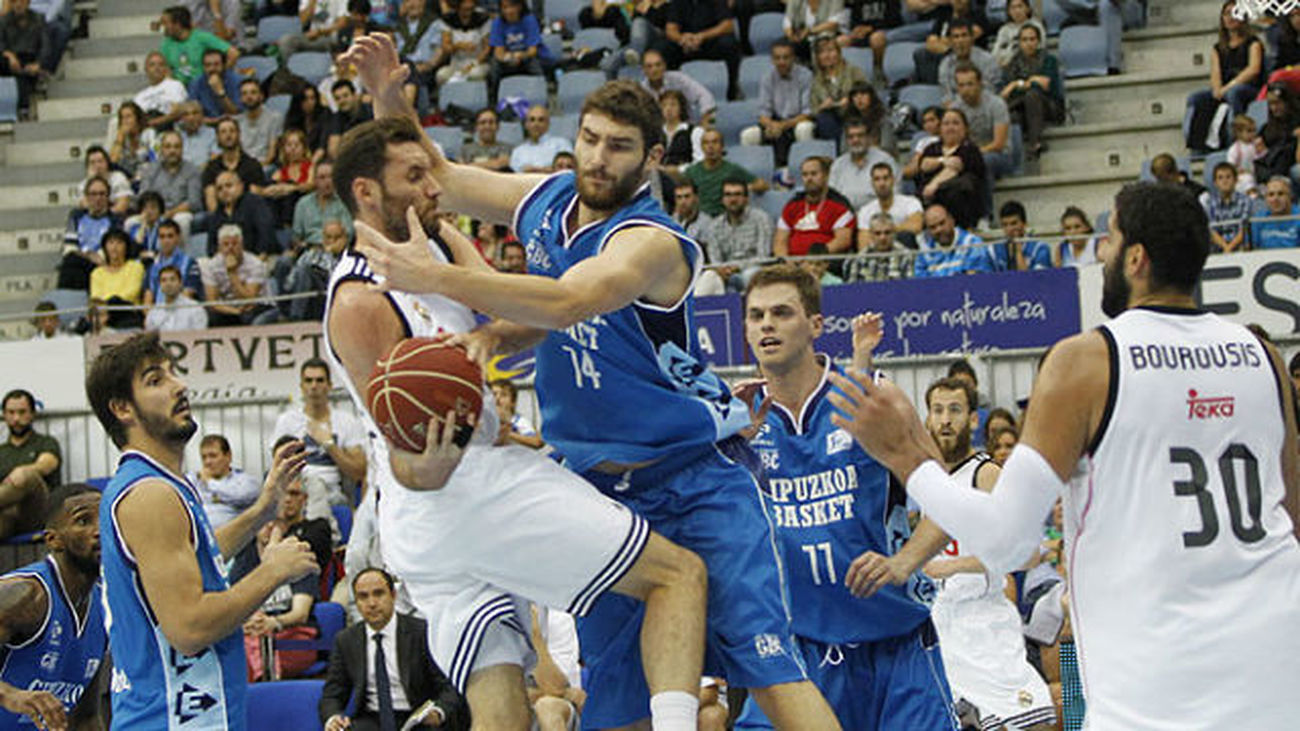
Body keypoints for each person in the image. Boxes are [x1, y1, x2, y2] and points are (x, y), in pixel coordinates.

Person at [342, 35, 839, 729]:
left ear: (653, 159)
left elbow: (571, 300)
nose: (599, 159)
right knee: (614, 699)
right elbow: (441, 178)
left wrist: (433, 277)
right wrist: (388, 100)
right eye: (591, 139)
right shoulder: (547, 200)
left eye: (620, 146)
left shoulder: (653, 241)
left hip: (693, 476)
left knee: (770, 670)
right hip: (599, 484)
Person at [833, 178, 1300, 728]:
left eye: (1109, 238)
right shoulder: (1262, 353)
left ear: (1136, 258)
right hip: (1273, 655)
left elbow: (1008, 540)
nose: (1100, 250)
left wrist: (908, 456)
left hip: (1158, 673)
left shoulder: (1086, 360)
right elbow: (1291, 513)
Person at [322, 88, 711, 731]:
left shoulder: (435, 241)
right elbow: (402, 455)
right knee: (678, 576)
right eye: (413, 178)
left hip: (439, 524)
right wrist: (439, 460)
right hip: (452, 494)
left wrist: (390, 97)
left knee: (499, 706)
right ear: (366, 194)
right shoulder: (361, 301)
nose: (433, 185)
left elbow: (508, 309)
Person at [733, 265, 957, 730]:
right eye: (755, 316)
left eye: (781, 313)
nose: (766, 325)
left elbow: (947, 504)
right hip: (797, 651)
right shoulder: (735, 421)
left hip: (894, 642)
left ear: (815, 325)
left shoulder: (871, 399)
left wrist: (902, 563)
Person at [88, 332, 317, 728]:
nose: (180, 385)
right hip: (173, 719)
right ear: (122, 408)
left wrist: (261, 511)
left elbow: (197, 555)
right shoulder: (150, 495)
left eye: (174, 373)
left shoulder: (158, 483)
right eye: (156, 380)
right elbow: (189, 627)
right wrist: (272, 571)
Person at [921, 377, 1056, 731]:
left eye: (954, 410)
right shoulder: (924, 479)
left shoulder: (986, 474)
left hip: (984, 623)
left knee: (1035, 723)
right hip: (937, 624)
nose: (945, 420)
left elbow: (1027, 554)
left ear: (973, 419)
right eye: (937, 411)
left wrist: (952, 566)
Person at [0, 484, 106, 729]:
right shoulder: (26, 594)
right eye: (83, 521)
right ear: (53, 540)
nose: (100, 530)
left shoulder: (104, 607)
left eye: (106, 519)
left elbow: (86, 719)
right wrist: (10, 695)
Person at [320, 567, 470, 731]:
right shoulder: (346, 640)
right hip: (370, 720)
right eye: (363, 597)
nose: (372, 603)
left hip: (417, 718)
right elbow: (332, 694)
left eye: (379, 594)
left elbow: (449, 687)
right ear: (356, 602)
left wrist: (438, 711)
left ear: (393, 595)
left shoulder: (421, 632)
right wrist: (333, 718)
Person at [243, 471, 332, 681]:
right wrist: (245, 623)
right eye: (262, 523)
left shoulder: (298, 557)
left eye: (272, 525)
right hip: (256, 634)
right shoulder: (246, 558)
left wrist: (273, 622)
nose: (267, 528)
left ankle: (260, 694)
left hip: (291, 634)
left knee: (258, 647)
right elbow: (233, 601)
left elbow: (300, 614)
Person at [272, 358, 368, 507]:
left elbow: (358, 472)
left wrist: (330, 445)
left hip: (334, 498)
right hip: (296, 498)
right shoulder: (287, 421)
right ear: (302, 386)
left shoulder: (347, 422)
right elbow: (278, 468)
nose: (314, 386)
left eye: (320, 380)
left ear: (329, 386)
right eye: (308, 381)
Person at [1185, 1, 1265, 153]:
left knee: (1233, 93)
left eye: (1235, 12)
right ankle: (1198, 146)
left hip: (1248, 88)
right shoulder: (1218, 48)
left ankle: (1233, 140)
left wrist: (1228, 88)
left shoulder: (1253, 43)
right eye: (1227, 13)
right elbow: (1215, 74)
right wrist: (1217, 90)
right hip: (1225, 88)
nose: (1231, 17)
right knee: (1197, 98)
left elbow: (1253, 70)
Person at [907, 107, 986, 230]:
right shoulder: (932, 148)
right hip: (929, 199)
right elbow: (924, 164)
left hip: (959, 200)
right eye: (946, 123)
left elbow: (955, 166)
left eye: (955, 123)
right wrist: (943, 160)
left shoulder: (969, 149)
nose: (950, 127)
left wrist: (934, 185)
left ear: (965, 128)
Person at [741, 41, 814, 169]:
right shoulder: (767, 77)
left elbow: (808, 113)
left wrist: (783, 126)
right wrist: (771, 125)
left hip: (796, 121)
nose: (781, 62)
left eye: (785, 57)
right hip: (775, 122)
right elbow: (763, 113)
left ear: (793, 58)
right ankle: (755, 177)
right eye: (777, 58)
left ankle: (803, 171)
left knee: (804, 128)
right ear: (772, 60)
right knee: (748, 135)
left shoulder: (806, 76)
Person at [0, 390, 61, 540]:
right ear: (4, 415)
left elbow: (47, 465)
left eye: (22, 412)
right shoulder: (2, 451)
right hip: (7, 516)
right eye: (11, 413)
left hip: (37, 514)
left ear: (33, 414)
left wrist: (23, 471)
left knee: (27, 476)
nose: (16, 418)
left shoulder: (46, 442)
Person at [999, 22, 1062, 161]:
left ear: (1038, 41)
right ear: (1019, 42)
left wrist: (1018, 84)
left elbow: (1045, 86)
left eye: (1032, 39)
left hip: (1049, 106)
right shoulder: (1013, 64)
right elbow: (1007, 93)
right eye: (1024, 40)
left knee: (1032, 96)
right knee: (1013, 114)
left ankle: (1035, 143)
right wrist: (1032, 80)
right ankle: (1014, 158)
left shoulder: (1048, 60)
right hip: (1021, 107)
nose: (1028, 43)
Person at [773, 156, 855, 258]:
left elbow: (842, 241)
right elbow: (780, 242)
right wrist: (785, 261)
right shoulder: (792, 204)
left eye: (814, 174)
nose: (809, 178)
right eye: (805, 175)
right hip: (792, 266)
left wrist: (812, 260)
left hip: (824, 263)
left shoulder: (840, 205)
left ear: (826, 175)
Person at [658, 0, 740, 99]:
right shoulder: (678, 2)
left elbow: (728, 25)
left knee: (729, 44)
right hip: (685, 45)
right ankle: (669, 95)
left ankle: (732, 91)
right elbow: (670, 29)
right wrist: (681, 38)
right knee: (662, 49)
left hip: (710, 41)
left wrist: (702, 36)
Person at [202, 224, 280, 326]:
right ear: (219, 247)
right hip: (230, 308)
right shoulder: (211, 266)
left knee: (248, 318)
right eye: (226, 244)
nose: (230, 248)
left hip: (259, 305)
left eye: (234, 244)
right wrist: (235, 312)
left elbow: (249, 299)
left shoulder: (256, 264)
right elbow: (212, 302)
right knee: (209, 316)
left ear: (242, 245)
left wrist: (232, 273)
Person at [706, 178, 774, 290]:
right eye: (728, 195)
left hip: (753, 270)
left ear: (746, 199)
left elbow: (763, 257)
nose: (733, 199)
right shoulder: (714, 226)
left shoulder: (761, 219)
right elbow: (715, 259)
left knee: (749, 276)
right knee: (709, 277)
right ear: (722, 200)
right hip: (725, 272)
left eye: (737, 194)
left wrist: (737, 267)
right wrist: (722, 269)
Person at [685, 128, 768, 216]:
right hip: (700, 218)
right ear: (702, 147)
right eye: (706, 143)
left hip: (725, 218)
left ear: (722, 146)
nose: (710, 146)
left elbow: (762, 185)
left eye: (715, 142)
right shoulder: (691, 171)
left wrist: (745, 188)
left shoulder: (732, 169)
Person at [58, 177, 122, 291]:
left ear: (108, 197)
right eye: (93, 194)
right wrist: (88, 255)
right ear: (87, 197)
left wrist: (94, 257)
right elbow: (69, 247)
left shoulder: (115, 220)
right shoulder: (76, 216)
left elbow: (111, 249)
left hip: (100, 265)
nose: (98, 198)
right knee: (70, 262)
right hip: (78, 261)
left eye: (102, 194)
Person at [950, 63, 1011, 182]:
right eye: (961, 85)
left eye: (970, 84)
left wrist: (971, 156)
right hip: (968, 156)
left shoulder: (996, 104)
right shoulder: (955, 108)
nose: (965, 90)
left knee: (982, 163)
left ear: (980, 84)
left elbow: (998, 144)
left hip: (998, 155)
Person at [139, 130, 204, 240]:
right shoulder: (151, 170)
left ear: (182, 149)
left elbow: (194, 202)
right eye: (168, 147)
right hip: (154, 212)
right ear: (161, 150)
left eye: (176, 147)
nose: (172, 151)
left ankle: (179, 255)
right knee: (130, 222)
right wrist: (155, 213)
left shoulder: (192, 170)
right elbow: (143, 196)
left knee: (181, 221)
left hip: (181, 213)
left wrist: (171, 213)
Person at [487, 0, 551, 104]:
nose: (509, 11)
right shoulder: (497, 23)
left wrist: (521, 55)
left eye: (512, 7)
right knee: (494, 67)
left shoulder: (529, 20)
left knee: (534, 63)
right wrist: (510, 58)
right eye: (505, 7)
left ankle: (543, 99)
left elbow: (532, 50)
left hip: (526, 57)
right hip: (507, 60)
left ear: (520, 7)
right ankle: (493, 102)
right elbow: (498, 52)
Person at [158, 4, 238, 87]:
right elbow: (165, 68)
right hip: (180, 89)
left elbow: (234, 54)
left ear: (177, 24)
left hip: (204, 87)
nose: (162, 27)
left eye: (165, 23)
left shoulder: (202, 38)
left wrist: (218, 74)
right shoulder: (166, 44)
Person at [202, 118, 270, 212]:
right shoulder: (212, 167)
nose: (228, 135)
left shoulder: (252, 165)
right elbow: (211, 200)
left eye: (232, 131)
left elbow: (256, 197)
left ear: (239, 134)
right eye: (223, 132)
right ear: (217, 137)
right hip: (219, 217)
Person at [207, 171, 279, 257]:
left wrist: (260, 257)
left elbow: (266, 234)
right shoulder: (216, 214)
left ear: (241, 186)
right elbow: (212, 247)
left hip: (260, 258)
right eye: (219, 189)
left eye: (229, 185)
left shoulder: (255, 203)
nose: (224, 190)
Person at [829, 120, 897, 211]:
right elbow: (832, 197)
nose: (855, 140)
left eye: (860, 136)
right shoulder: (838, 165)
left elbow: (895, 195)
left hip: (878, 214)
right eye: (851, 137)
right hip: (846, 215)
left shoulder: (886, 160)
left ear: (869, 138)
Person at [810, 36, 868, 142]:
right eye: (822, 52)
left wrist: (851, 100)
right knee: (824, 118)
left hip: (853, 113)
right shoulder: (816, 80)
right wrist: (822, 107)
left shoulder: (853, 71)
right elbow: (813, 110)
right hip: (830, 119)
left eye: (831, 50)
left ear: (839, 53)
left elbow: (867, 94)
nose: (827, 55)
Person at [913, 202, 995, 278]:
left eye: (942, 223)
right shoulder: (924, 253)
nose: (939, 229)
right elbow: (922, 285)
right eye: (933, 227)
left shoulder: (972, 243)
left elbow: (976, 280)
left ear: (952, 220)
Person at [641, 49, 716, 126]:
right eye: (649, 66)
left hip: (685, 128)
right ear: (643, 69)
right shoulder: (641, 90)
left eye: (658, 65)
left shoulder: (679, 80)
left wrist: (706, 122)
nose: (654, 69)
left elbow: (705, 96)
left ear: (664, 66)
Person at [0, 0, 46, 117]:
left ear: (28, 2)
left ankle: (23, 108)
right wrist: (9, 56)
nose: (18, 4)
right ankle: (22, 108)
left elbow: (45, 46)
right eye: (14, 1)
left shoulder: (38, 19)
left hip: (30, 59)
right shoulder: (3, 21)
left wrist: (39, 63)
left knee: (24, 73)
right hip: (9, 59)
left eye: (21, 1)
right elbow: (1, 44)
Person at [143, 219, 203, 305]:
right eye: (162, 237)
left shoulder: (191, 264)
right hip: (156, 314)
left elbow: (188, 295)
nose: (166, 241)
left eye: (170, 236)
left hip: (181, 312)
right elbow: (147, 301)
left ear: (178, 238)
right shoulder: (152, 266)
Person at [857, 162, 923, 236]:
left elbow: (916, 227)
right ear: (872, 183)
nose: (882, 183)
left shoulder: (911, 202)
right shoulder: (865, 211)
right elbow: (863, 243)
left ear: (893, 180)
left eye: (885, 178)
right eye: (877, 179)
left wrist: (884, 230)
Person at [935, 19, 998, 97]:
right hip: (955, 107)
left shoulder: (987, 60)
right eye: (956, 37)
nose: (960, 40)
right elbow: (946, 96)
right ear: (950, 41)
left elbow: (989, 92)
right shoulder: (945, 64)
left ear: (972, 38)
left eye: (964, 35)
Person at [435, 0, 491, 85]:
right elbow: (446, 47)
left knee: (474, 74)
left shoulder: (483, 18)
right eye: (464, 9)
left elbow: (487, 48)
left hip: (478, 62)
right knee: (441, 75)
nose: (468, 12)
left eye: (470, 8)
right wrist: (458, 46)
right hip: (456, 63)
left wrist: (474, 63)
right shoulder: (448, 19)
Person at [847, 212, 912, 281]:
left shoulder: (906, 256)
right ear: (871, 235)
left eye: (887, 232)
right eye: (877, 233)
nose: (882, 238)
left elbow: (910, 287)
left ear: (894, 233)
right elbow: (853, 288)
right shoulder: (860, 259)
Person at [236, 78, 286, 166]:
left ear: (261, 96)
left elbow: (271, 154)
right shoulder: (237, 121)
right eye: (244, 94)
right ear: (240, 99)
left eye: (253, 92)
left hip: (266, 165)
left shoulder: (274, 118)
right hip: (243, 166)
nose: (249, 97)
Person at [1204, 161, 1251, 253]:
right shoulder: (1210, 203)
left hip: (1240, 249)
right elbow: (1212, 231)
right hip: (1218, 249)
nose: (1225, 181)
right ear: (1215, 182)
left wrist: (1229, 248)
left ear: (1235, 180)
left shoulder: (1245, 201)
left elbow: (1244, 229)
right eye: (1220, 178)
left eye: (1228, 177)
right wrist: (1226, 247)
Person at [145, 264, 209, 331]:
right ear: (160, 285)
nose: (168, 284)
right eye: (164, 280)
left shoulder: (195, 308)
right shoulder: (154, 312)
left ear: (180, 283)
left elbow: (200, 336)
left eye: (172, 279)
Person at [135, 50, 188, 127]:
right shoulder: (139, 97)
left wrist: (152, 123)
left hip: (170, 130)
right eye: (152, 65)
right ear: (146, 69)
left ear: (166, 68)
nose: (157, 68)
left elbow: (176, 112)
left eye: (161, 64)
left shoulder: (174, 85)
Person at [489, 378, 545, 449]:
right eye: (494, 394)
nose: (497, 398)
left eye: (504, 395)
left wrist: (509, 434)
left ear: (513, 402)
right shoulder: (484, 420)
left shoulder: (519, 422)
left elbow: (537, 442)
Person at [989, 0, 1045, 68]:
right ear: (1008, 11)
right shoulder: (1004, 30)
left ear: (1028, 9)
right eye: (1013, 7)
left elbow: (1040, 49)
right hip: (1005, 67)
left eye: (1020, 6)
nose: (1017, 11)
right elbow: (995, 53)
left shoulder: (1036, 26)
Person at [998, 201, 1052, 271]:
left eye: (1014, 223)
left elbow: (1036, 280)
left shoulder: (1040, 248)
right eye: (1005, 225)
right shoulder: (994, 249)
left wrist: (1018, 252)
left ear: (1025, 224)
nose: (1009, 229)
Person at [1251, 175, 1300, 249]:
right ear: (1266, 198)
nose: (1275, 199)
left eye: (1280, 194)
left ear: (1290, 196)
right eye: (1271, 195)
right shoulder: (1258, 219)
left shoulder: (1298, 217)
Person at [672, 179, 713, 250]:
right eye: (679, 197)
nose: (683, 202)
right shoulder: (670, 221)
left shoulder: (707, 223)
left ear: (696, 198)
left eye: (687, 196)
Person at [1226, 113, 1261, 195]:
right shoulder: (1235, 149)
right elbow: (1230, 168)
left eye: (1254, 130)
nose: (1253, 134)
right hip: (1241, 178)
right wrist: (1237, 171)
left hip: (1257, 175)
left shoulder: (1256, 145)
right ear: (1238, 133)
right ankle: (1253, 197)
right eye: (1249, 131)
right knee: (1247, 180)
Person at [176, 100, 218, 168]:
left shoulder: (212, 134)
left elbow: (215, 157)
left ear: (202, 115)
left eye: (195, 113)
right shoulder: (177, 137)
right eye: (186, 114)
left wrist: (195, 172)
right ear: (181, 118)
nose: (191, 118)